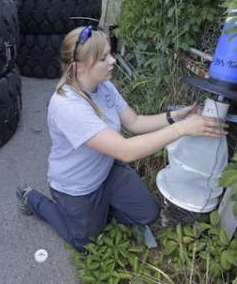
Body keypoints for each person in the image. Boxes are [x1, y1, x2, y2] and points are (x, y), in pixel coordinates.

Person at [16, 26, 226, 251]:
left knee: (148, 213)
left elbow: (134, 122)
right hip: (78, 187)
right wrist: (183, 129)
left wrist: (176, 117)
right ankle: (33, 199)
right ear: (79, 68)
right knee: (85, 243)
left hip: (107, 170)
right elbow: (125, 150)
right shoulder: (68, 106)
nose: (113, 61)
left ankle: (101, 208)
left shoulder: (104, 87)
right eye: (103, 58)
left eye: (110, 53)